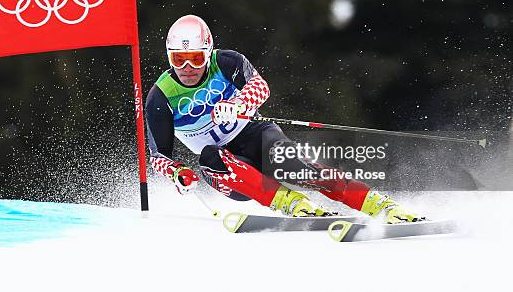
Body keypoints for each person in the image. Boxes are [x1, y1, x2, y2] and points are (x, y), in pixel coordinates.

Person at [145, 14, 423, 223]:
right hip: (228, 172)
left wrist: (237, 103)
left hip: (255, 137)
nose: (188, 67)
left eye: (195, 57)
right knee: (209, 156)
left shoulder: (226, 62)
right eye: (178, 59)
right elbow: (159, 155)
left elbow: (260, 87)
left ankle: (380, 205)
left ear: (208, 53)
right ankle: (292, 204)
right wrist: (177, 173)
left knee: (297, 168)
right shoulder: (162, 95)